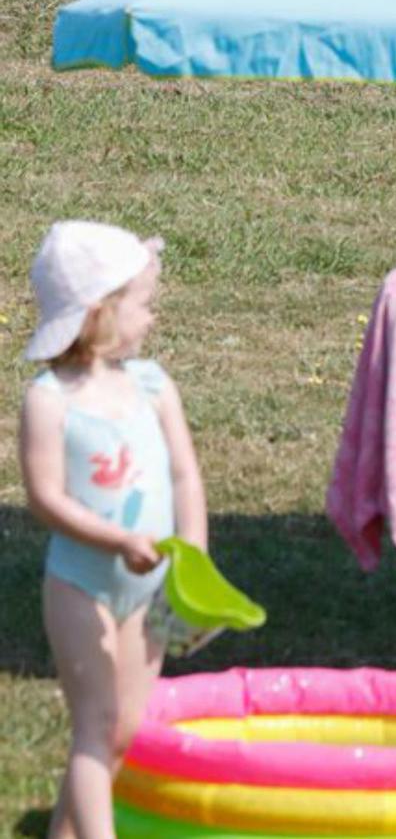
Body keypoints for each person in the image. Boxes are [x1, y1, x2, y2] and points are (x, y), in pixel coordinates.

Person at [18, 221, 207, 839]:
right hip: (82, 584)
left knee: (123, 729)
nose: (152, 317)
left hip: (147, 590)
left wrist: (194, 557)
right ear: (100, 311)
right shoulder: (49, 401)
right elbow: (45, 498)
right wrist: (117, 541)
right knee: (95, 725)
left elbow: (183, 475)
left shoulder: (152, 387)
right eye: (142, 304)